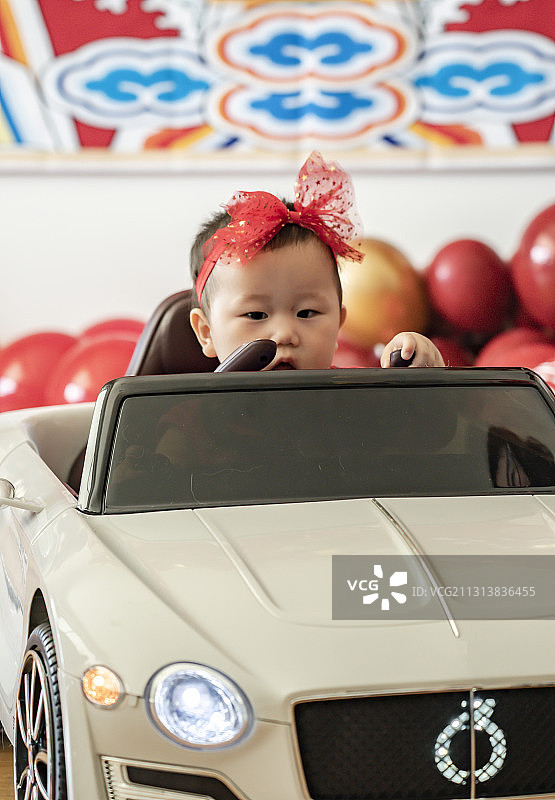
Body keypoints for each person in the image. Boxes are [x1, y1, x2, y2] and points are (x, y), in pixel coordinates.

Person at [188, 151, 444, 370]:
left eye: (307, 313)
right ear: (206, 333)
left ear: (338, 326)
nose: (285, 335)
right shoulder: (191, 415)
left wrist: (417, 378)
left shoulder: (351, 400)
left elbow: (413, 424)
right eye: (256, 314)